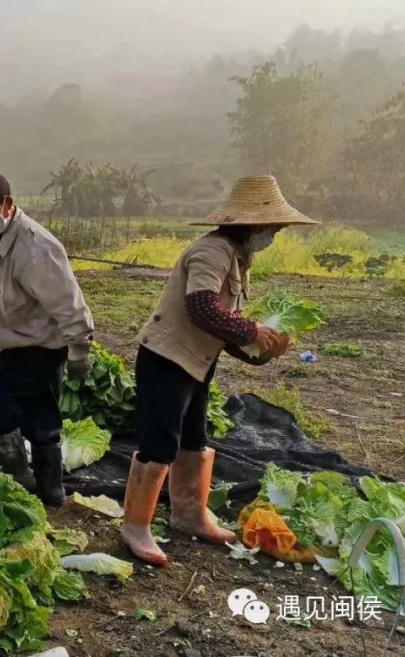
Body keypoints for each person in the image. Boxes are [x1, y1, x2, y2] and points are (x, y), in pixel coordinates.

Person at [121, 175, 317, 566]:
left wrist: (263, 352)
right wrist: (253, 330)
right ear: (252, 224)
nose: (275, 234)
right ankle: (135, 527)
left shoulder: (240, 258)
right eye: (273, 227)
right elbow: (202, 308)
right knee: (160, 443)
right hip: (166, 360)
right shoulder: (212, 252)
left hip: (196, 362)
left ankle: (189, 515)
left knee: (194, 438)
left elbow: (224, 327)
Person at [0, 172, 95, 506]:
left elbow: (69, 303)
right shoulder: (0, 237)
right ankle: (51, 491)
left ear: (6, 204)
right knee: (40, 409)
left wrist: (79, 351)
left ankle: (19, 475)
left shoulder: (36, 248)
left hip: (43, 344)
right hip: (22, 337)